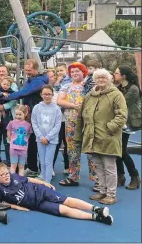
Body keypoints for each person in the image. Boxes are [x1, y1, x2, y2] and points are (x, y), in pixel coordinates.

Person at [0, 162, 113, 225]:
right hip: (36, 204)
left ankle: (96, 209)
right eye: (3, 175)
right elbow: (1, 202)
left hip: (40, 191)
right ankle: (96, 217)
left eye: (7, 173)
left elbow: (29, 179)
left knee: (67, 200)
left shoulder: (13, 176)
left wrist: (43, 183)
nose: (7, 176)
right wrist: (18, 207)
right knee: (64, 210)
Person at [75, 69, 127, 205]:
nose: (101, 80)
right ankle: (102, 191)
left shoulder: (116, 95)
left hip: (108, 138)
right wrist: (78, 135)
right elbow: (80, 117)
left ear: (109, 79)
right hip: (92, 138)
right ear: (94, 79)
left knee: (109, 167)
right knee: (98, 166)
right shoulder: (89, 96)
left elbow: (122, 116)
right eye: (98, 78)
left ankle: (111, 194)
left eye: (104, 77)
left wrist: (109, 128)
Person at [3, 59, 49, 176]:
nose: (27, 72)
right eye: (26, 70)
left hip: (38, 116)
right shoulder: (31, 80)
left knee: (38, 142)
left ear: (35, 69)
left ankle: (43, 169)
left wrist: (8, 97)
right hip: (30, 115)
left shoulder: (38, 81)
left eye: (29, 70)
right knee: (31, 141)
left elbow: (24, 92)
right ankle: (32, 167)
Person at [57, 62, 88, 187]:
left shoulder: (88, 85)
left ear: (83, 72)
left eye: (77, 71)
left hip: (88, 122)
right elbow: (60, 100)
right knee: (72, 149)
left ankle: (97, 179)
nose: (75, 73)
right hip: (70, 122)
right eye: (72, 72)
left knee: (91, 149)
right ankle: (73, 176)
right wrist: (74, 105)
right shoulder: (66, 86)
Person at [114, 65, 141, 190]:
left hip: (128, 123)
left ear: (123, 76)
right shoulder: (118, 88)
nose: (114, 75)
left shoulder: (133, 89)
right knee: (117, 150)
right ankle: (120, 176)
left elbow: (121, 103)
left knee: (122, 151)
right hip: (119, 121)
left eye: (116, 73)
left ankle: (134, 176)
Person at [31, 86, 62, 183]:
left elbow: (57, 125)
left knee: (48, 162)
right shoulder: (36, 108)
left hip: (51, 140)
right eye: (45, 94)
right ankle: (43, 179)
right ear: (41, 95)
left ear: (53, 95)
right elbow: (34, 123)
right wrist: (40, 137)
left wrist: (48, 137)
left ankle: (47, 182)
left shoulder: (56, 109)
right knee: (42, 162)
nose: (47, 96)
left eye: (49, 94)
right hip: (40, 140)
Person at [6, 105, 33, 175]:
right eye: (16, 114)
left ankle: (21, 181)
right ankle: (12, 180)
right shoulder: (11, 123)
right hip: (13, 149)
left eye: (20, 114)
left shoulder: (28, 125)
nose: (18, 116)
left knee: (21, 166)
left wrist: (25, 141)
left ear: (25, 114)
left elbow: (28, 134)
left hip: (23, 149)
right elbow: (8, 131)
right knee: (13, 165)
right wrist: (10, 139)